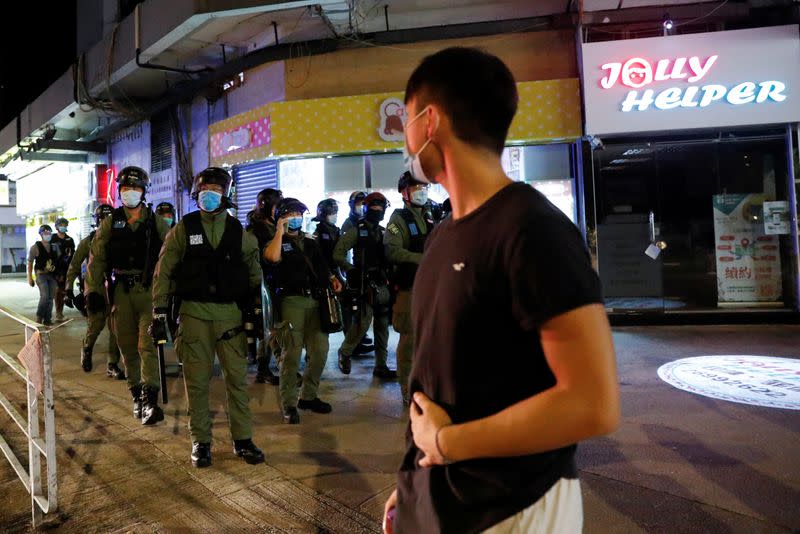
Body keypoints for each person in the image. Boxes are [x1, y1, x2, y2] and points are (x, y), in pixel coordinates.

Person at [383, 47, 619, 534]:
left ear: (430, 122)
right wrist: (411, 484)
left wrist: (447, 445)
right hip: (438, 500)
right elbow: (441, 381)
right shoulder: (443, 233)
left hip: (512, 508)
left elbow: (592, 403)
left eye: (406, 120)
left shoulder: (533, 230)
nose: (404, 137)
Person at [151, 167, 265, 468]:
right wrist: (159, 310)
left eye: (216, 192)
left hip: (230, 316)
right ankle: (201, 442)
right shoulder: (183, 229)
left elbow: (255, 274)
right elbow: (163, 271)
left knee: (237, 382)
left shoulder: (240, 233)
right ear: (196, 195)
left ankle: (243, 440)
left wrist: (256, 308)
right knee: (197, 383)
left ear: (225, 196)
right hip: (194, 315)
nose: (210, 197)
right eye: (205, 192)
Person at [85, 166, 171, 425]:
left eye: (135, 188)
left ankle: (150, 399)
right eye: (125, 188)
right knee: (126, 345)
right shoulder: (111, 222)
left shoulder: (155, 221)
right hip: (120, 292)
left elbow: (171, 252)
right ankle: (136, 393)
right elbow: (96, 258)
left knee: (148, 345)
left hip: (149, 291)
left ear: (144, 192)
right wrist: (93, 291)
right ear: (118, 191)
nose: (130, 193)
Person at [263, 198, 342, 424]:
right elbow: (272, 258)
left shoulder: (309, 241)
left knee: (319, 350)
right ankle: (289, 404)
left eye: (298, 215)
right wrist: (279, 232)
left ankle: (308, 396)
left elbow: (321, 265)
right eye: (290, 215)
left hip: (315, 301)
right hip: (290, 303)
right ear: (281, 218)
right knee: (291, 355)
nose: (295, 219)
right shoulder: (274, 243)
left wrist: (332, 277)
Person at [384, 172, 435, 406]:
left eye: (424, 187)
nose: (422, 192)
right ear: (405, 193)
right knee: (409, 342)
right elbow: (392, 251)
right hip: (410, 289)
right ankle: (407, 388)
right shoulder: (398, 220)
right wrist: (423, 258)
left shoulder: (433, 213)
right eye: (416, 188)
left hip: (435, 287)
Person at [334, 192, 396, 380]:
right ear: (367, 209)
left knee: (383, 326)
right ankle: (345, 352)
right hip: (364, 284)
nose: (377, 211)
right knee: (362, 324)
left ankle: (381, 365)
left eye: (381, 208)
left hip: (382, 283)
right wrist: (350, 270)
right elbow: (338, 253)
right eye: (374, 208)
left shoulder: (385, 232)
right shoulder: (356, 230)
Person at [65, 203, 124, 379]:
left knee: (116, 329)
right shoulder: (89, 241)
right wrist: (69, 288)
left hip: (116, 288)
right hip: (95, 289)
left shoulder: (120, 239)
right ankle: (87, 347)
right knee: (96, 324)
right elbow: (74, 265)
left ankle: (112, 364)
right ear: (97, 221)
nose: (105, 222)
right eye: (102, 219)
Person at [247, 187, 283, 385]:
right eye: (277, 205)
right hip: (261, 285)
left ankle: (267, 366)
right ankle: (267, 367)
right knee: (267, 327)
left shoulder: (273, 226)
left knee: (271, 326)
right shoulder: (255, 231)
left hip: (275, 282)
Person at [27, 224, 60, 325]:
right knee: (45, 296)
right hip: (41, 275)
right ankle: (39, 317)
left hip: (53, 275)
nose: (48, 235)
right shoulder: (35, 247)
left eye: (49, 233)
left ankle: (47, 319)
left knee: (51, 297)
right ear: (41, 234)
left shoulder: (55, 247)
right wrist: (30, 278)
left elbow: (58, 260)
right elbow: (30, 262)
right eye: (45, 233)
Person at [51, 216, 76, 322]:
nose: (63, 227)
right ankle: (57, 313)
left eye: (65, 225)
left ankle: (59, 313)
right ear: (56, 227)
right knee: (57, 291)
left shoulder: (69, 240)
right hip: (54, 269)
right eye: (61, 225)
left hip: (67, 269)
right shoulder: (52, 238)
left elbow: (73, 255)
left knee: (63, 291)